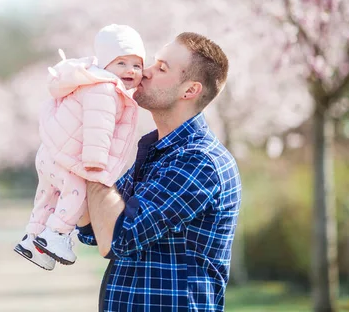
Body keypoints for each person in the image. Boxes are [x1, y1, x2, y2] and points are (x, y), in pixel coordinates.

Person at [76, 32, 242, 311]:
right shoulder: (156, 151)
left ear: (189, 91)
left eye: (161, 68)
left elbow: (117, 238)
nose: (144, 72)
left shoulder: (198, 161)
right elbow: (93, 228)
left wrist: (95, 157)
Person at [14, 24, 146, 270]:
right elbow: (98, 126)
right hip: (68, 159)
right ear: (105, 65)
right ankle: (56, 235)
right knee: (78, 194)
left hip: (51, 154)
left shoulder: (92, 83)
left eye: (137, 65)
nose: (130, 70)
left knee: (48, 197)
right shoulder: (106, 89)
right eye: (121, 63)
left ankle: (32, 239)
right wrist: (96, 163)